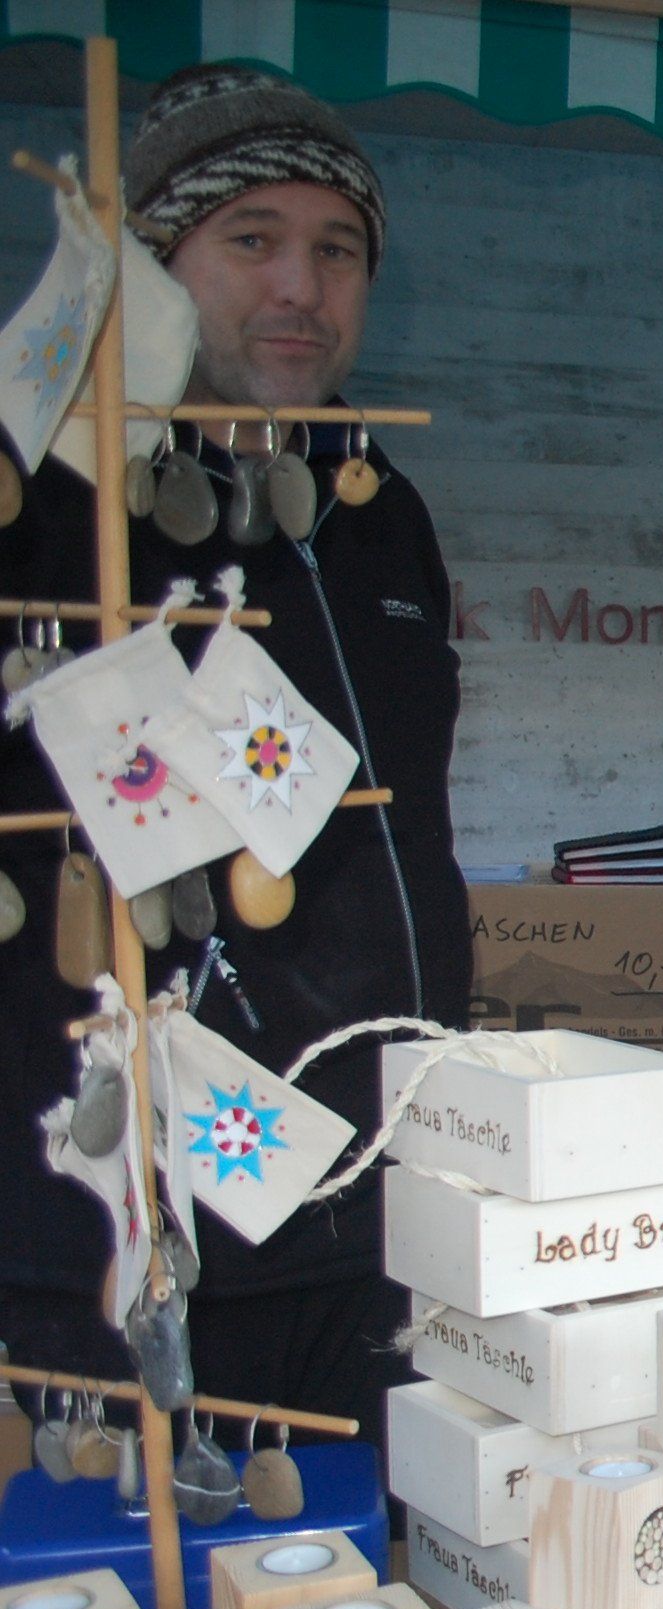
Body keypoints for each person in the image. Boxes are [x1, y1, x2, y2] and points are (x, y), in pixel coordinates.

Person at [0, 67, 469, 1438]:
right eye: (251, 239)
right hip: (121, 1219)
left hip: (370, 1195)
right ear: (155, 266)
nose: (299, 289)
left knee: (355, 1553)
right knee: (135, 1556)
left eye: (338, 250)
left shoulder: (380, 506)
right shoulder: (50, 505)